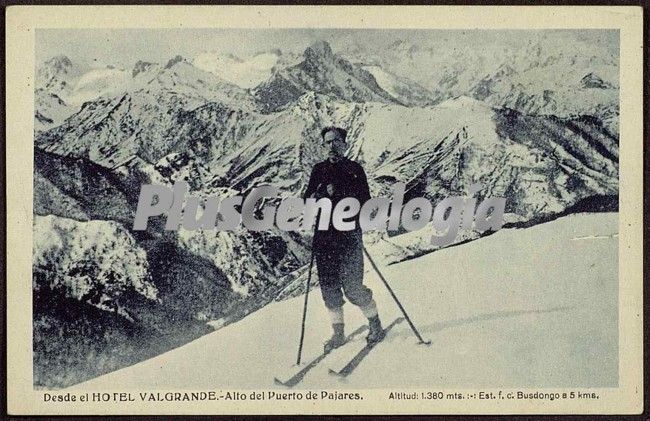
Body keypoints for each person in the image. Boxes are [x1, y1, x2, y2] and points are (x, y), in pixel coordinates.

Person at [303, 126, 385, 352]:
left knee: (352, 286)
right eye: (327, 142)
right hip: (324, 238)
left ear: (344, 144)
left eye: (336, 141)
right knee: (329, 287)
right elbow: (307, 200)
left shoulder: (354, 169)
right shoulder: (318, 170)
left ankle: (375, 323)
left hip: (348, 236)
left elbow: (365, 201)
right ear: (323, 146)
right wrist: (319, 195)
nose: (332, 145)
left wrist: (338, 194)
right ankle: (338, 333)